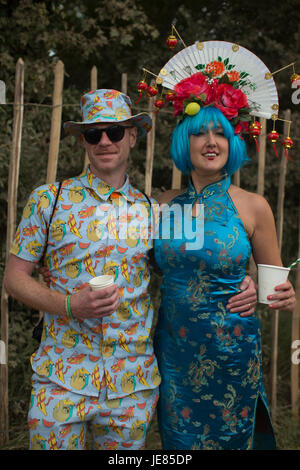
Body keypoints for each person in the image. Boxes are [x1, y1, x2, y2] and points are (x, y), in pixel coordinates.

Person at [4, 88, 257, 451]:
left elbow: (186, 266)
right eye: (94, 133)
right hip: (59, 380)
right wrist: (68, 305)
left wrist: (244, 280)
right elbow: (13, 278)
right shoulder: (49, 199)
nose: (105, 140)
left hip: (131, 385)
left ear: (133, 136)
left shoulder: (155, 212)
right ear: (83, 141)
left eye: (115, 131)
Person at [152, 47, 296, 450]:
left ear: (233, 141)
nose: (210, 141)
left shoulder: (253, 206)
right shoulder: (162, 205)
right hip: (175, 354)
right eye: (199, 132)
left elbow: (277, 291)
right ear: (185, 141)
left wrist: (267, 291)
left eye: (221, 133)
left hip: (233, 350)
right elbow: (138, 268)